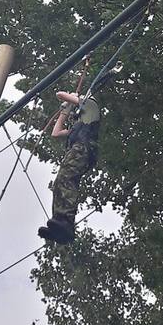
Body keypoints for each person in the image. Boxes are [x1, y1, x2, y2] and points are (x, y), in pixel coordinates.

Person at [38, 90, 100, 244]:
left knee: (65, 179)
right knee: (60, 182)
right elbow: (56, 133)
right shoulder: (78, 125)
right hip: (77, 151)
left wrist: (70, 99)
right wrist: (64, 112)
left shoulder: (92, 106)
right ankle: (59, 222)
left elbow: (60, 94)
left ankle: (66, 220)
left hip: (83, 149)